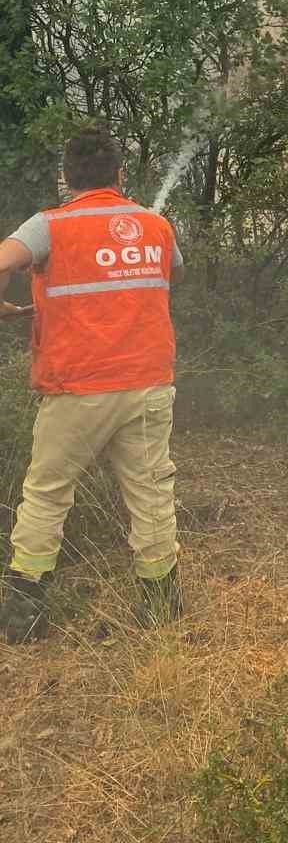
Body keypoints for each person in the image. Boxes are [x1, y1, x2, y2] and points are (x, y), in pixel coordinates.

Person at [0, 123, 184, 644]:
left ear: (66, 177)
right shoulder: (156, 224)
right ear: (121, 175)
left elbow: (4, 259)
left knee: (48, 493)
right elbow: (173, 277)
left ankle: (26, 611)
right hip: (148, 383)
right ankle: (162, 607)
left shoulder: (49, 226)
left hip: (77, 388)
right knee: (151, 493)